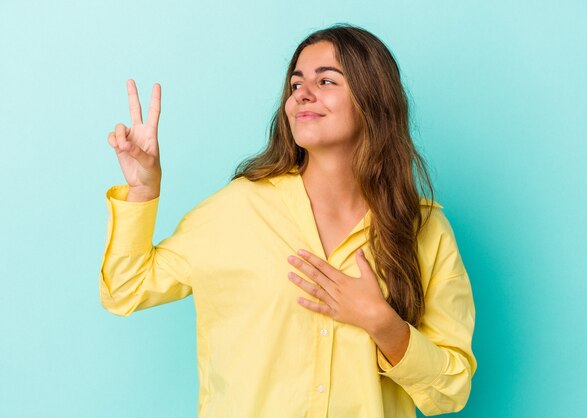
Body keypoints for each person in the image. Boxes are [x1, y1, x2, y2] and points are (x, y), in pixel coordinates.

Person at [100, 23, 477, 417]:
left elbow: (450, 391)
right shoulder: (238, 210)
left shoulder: (425, 231)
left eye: (326, 80)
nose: (303, 95)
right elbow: (126, 288)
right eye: (296, 85)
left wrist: (382, 323)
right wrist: (143, 190)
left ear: (373, 99)